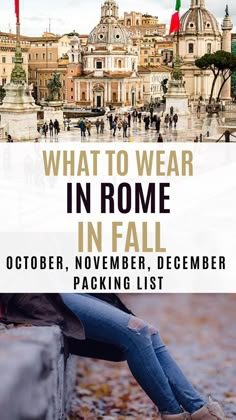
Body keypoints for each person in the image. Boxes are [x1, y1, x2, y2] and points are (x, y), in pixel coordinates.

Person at [0, 293, 227, 420]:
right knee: (135, 331)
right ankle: (174, 414)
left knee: (149, 332)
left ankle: (200, 411)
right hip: (31, 293)